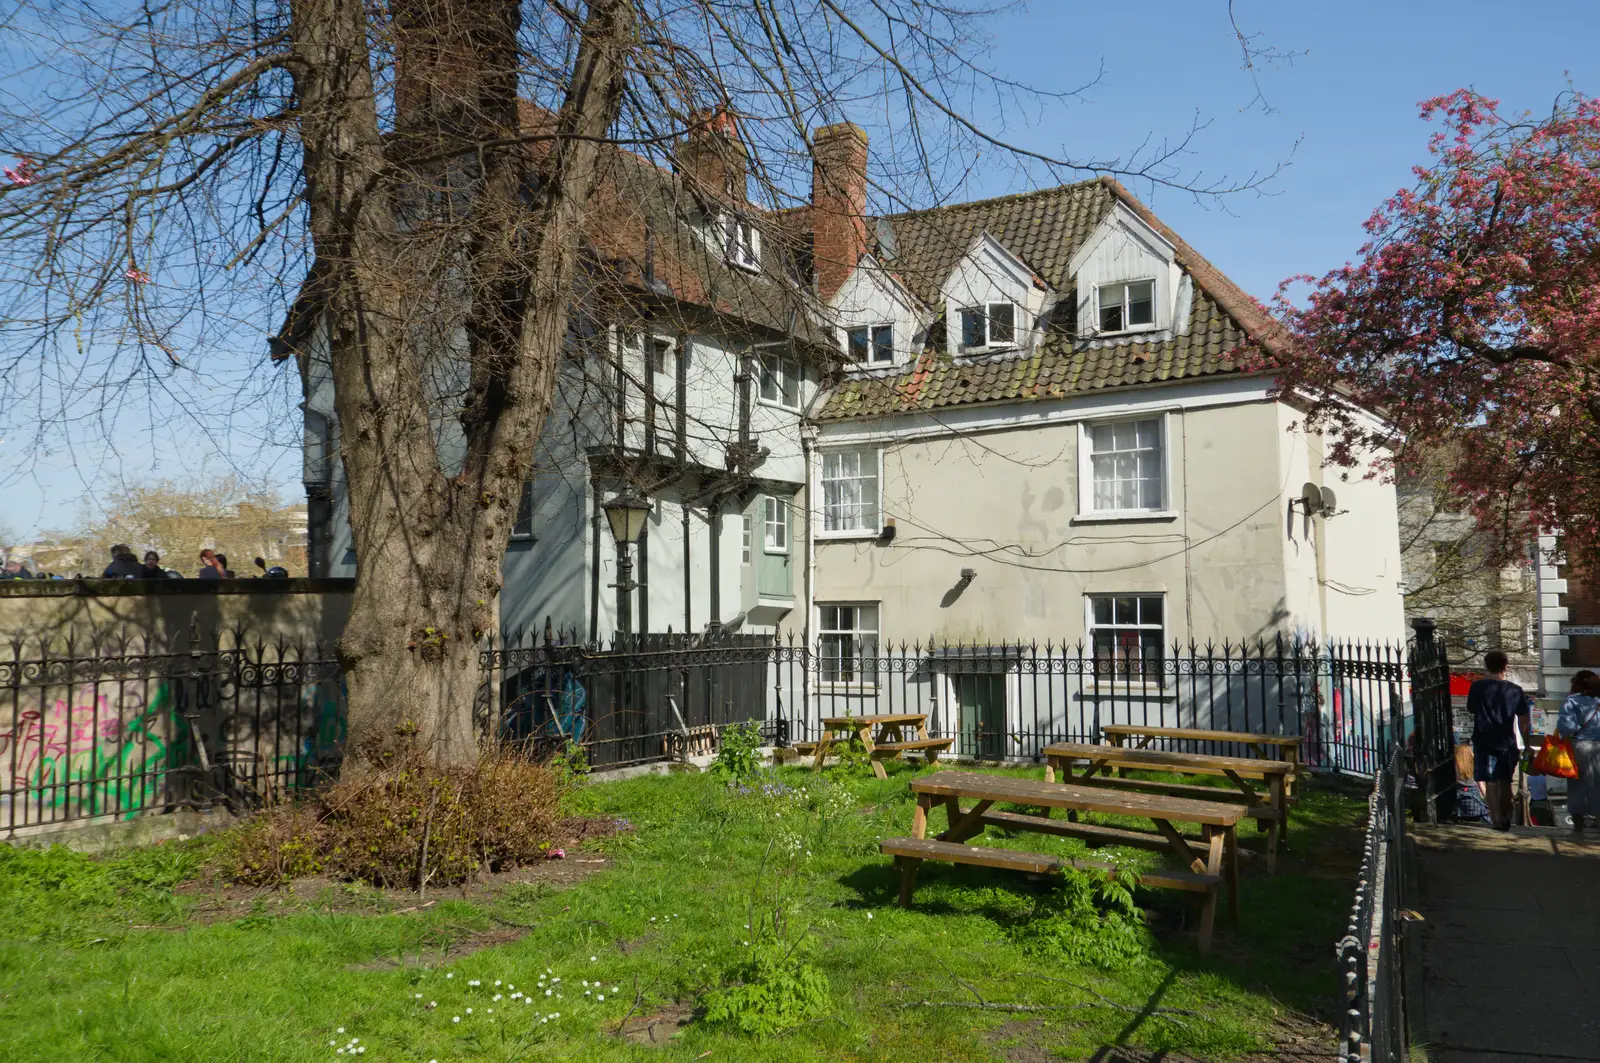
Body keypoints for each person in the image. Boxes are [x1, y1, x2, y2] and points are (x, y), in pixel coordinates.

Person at [1466, 649, 1533, 831]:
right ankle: (1506, 816)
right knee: (1505, 781)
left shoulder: (1477, 687)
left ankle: (1495, 818)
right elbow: (1523, 720)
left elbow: (1471, 709)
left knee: (1490, 781)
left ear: (1486, 666)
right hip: (1507, 742)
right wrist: (1526, 743)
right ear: (1505, 666)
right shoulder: (1515, 690)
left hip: (1483, 740)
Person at [1557, 668, 1600, 834]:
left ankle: (1578, 827)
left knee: (1577, 786)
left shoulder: (1572, 701)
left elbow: (1566, 727)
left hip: (1580, 747)